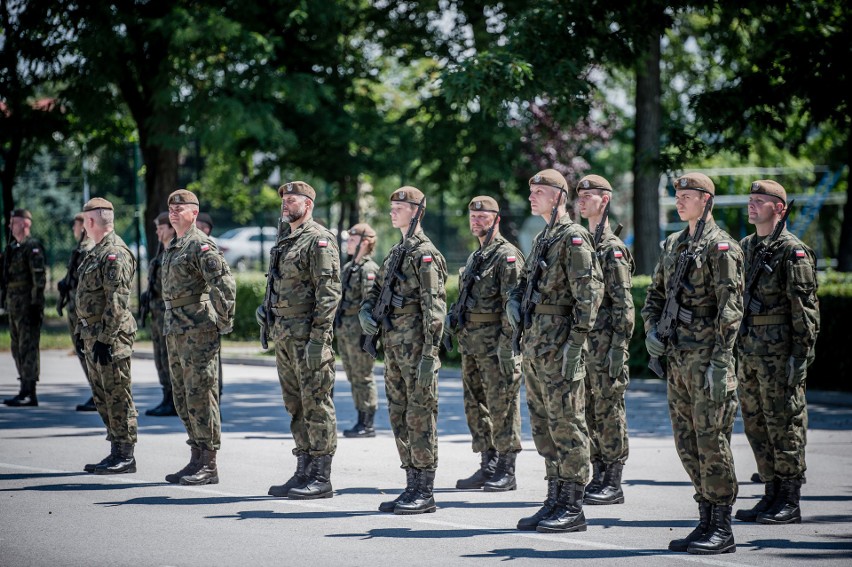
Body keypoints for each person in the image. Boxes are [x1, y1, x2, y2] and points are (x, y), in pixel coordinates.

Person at [642, 172, 743, 555]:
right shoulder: (673, 244)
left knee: (712, 441)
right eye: (678, 195)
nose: (680, 200)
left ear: (707, 200)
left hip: (708, 361)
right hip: (678, 360)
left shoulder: (722, 249)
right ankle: (704, 519)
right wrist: (652, 331)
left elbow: (731, 310)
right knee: (687, 442)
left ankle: (722, 526)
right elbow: (654, 296)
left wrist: (721, 360)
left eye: (687, 195)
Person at [507, 169, 603, 533]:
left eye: (540, 191)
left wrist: (576, 344)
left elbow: (589, 295)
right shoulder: (543, 238)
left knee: (568, 424)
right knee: (544, 427)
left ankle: (573, 505)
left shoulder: (574, 238)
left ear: (559, 196)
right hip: (535, 346)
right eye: (530, 190)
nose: (532, 196)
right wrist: (514, 303)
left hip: (560, 346)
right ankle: (554, 498)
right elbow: (525, 285)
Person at [735, 180, 819, 525]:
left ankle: (789, 498)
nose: (752, 205)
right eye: (751, 200)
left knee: (784, 424)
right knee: (756, 426)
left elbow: (805, 307)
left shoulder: (791, 251)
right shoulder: (745, 247)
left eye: (760, 201)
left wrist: (801, 354)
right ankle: (770, 493)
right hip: (748, 353)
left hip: (778, 354)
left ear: (780, 208)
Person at [360, 186, 447, 515]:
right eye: (392, 204)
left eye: (400, 205)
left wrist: (430, 355)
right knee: (399, 416)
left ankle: (424, 490)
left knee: (420, 417)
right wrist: (365, 311)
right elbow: (377, 289)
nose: (393, 209)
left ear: (417, 211)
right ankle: (411, 484)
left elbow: (435, 310)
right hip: (394, 350)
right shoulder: (396, 252)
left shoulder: (425, 254)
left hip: (416, 351)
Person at [261, 181, 341, 500]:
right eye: (283, 198)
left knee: (316, 403)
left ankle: (321, 476)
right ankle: (304, 467)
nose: (285, 202)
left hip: (309, 336)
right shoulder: (285, 239)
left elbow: (329, 293)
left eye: (291, 199)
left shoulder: (318, 239)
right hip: (285, 335)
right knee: (295, 404)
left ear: (307, 204)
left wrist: (318, 340)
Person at [450, 196, 525, 492]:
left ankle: (507, 469)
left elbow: (513, 305)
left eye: (483, 216)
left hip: (496, 347)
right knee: (476, 407)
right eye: (473, 216)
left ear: (496, 219)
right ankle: (488, 464)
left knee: (502, 406)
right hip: (471, 344)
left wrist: (508, 346)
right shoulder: (476, 257)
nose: (476, 221)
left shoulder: (507, 255)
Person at [161, 189, 236, 486]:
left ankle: (209, 463)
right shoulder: (174, 245)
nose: (174, 211)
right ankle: (195, 457)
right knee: (181, 396)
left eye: (181, 207)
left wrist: (224, 320)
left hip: (198, 330)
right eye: (171, 207)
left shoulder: (200, 245)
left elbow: (224, 283)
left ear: (195, 212)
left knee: (201, 395)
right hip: (176, 329)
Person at [575, 175, 635, 505]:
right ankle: (597, 472)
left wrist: (619, 347)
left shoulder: (612, 249)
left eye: (590, 195)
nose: (582, 199)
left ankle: (613, 479)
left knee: (609, 409)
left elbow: (624, 302)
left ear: (606, 200)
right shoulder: (585, 243)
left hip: (607, 344)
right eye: (579, 194)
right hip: (586, 345)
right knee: (588, 411)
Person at [75, 198, 139, 474]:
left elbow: (118, 299)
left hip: (111, 337)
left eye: (85, 221)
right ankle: (115, 450)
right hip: (94, 334)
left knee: (117, 394)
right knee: (102, 395)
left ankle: (126, 454)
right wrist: (84, 331)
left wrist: (105, 337)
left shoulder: (114, 252)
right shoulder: (97, 251)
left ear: (91, 221)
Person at [337, 223, 380, 438]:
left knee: (363, 376)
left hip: (360, 331)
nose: (348, 243)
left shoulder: (368, 269)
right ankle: (360, 418)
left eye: (352, 240)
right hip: (345, 329)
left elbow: (370, 303)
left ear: (365, 242)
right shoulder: (348, 268)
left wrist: (370, 335)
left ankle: (367, 422)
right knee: (353, 375)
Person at [2, 209, 46, 407]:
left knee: (28, 348)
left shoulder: (32, 247)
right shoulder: (12, 248)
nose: (10, 226)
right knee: (16, 347)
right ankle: (23, 388)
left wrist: (36, 304)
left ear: (25, 224)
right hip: (14, 306)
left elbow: (39, 278)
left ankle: (30, 391)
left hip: (28, 306)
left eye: (14, 222)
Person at [57, 213, 97, 411]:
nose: (73, 228)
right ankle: (95, 391)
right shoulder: (79, 250)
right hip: (74, 308)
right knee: (81, 352)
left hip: (82, 311)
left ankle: (98, 393)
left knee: (86, 351)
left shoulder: (88, 250)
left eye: (75, 225)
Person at [144, 212, 178, 416]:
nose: (158, 231)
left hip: (169, 316)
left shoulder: (172, 254)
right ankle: (166, 396)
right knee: (159, 358)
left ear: (171, 229)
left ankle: (173, 399)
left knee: (168, 358)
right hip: (157, 316)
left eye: (161, 227)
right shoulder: (160, 254)